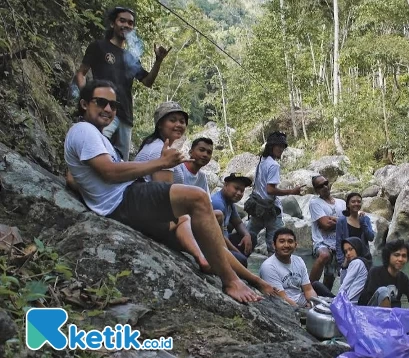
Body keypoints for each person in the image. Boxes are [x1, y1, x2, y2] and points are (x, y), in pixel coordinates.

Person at [64, 80, 260, 303]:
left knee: (194, 218)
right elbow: (109, 172)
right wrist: (161, 162)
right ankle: (231, 281)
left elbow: (74, 176)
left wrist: (88, 192)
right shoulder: (84, 130)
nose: (108, 109)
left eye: (113, 105)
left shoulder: (95, 136)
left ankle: (218, 264)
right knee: (197, 198)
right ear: (83, 104)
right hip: (124, 200)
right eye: (101, 102)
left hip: (123, 199)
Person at [131, 101, 273, 294]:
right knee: (211, 242)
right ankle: (248, 279)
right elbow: (162, 196)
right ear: (159, 124)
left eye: (182, 121)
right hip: (154, 218)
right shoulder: (160, 151)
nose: (179, 125)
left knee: (212, 237)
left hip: (151, 212)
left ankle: (253, 280)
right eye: (172, 120)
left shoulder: (160, 148)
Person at [74, 6, 170, 160]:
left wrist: (158, 61)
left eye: (130, 23)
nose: (126, 25)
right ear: (113, 23)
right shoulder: (99, 47)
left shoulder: (131, 57)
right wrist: (87, 100)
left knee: (120, 161)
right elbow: (81, 73)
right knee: (94, 153)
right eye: (122, 21)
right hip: (102, 110)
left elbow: (147, 81)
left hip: (125, 114)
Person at [247, 131, 303, 254]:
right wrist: (291, 191)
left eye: (283, 146)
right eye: (278, 146)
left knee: (247, 237)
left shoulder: (262, 161)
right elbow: (270, 189)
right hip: (271, 210)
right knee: (275, 244)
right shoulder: (273, 165)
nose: (281, 149)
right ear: (271, 146)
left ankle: (239, 263)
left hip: (257, 207)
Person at [358, 239, 409, 307]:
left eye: (404, 256)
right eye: (396, 255)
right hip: (369, 312)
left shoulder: (403, 278)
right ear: (388, 256)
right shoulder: (375, 272)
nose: (400, 259)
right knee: (383, 291)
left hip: (393, 315)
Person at [259, 228, 318, 307]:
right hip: (286, 308)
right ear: (274, 245)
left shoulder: (299, 260)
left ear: (295, 245)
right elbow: (282, 298)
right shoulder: (268, 267)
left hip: (303, 302)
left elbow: (308, 289)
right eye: (282, 241)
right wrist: (302, 310)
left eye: (290, 241)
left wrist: (313, 305)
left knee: (319, 287)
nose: (286, 245)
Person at [212, 173, 258, 267]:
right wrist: (237, 252)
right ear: (226, 185)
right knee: (241, 260)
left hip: (225, 239)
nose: (239, 193)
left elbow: (238, 223)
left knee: (251, 237)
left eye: (242, 190)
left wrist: (247, 235)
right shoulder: (218, 203)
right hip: (215, 244)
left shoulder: (230, 202)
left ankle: (236, 264)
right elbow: (219, 236)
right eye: (236, 188)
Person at [309, 175, 346, 290]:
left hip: (339, 244)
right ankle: (307, 289)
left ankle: (324, 297)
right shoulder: (315, 203)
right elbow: (325, 225)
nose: (325, 187)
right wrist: (343, 221)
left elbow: (350, 222)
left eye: (326, 183)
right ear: (316, 190)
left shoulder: (341, 203)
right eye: (320, 186)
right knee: (324, 255)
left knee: (329, 279)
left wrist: (333, 219)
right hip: (322, 242)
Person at [335, 193, 374, 275]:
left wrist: (363, 222)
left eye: (359, 202)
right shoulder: (341, 221)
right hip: (348, 259)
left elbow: (371, 237)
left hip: (364, 259)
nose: (356, 204)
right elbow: (339, 243)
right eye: (353, 202)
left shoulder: (365, 219)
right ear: (348, 205)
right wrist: (341, 263)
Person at [337, 237, 371, 303]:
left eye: (350, 249)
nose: (348, 254)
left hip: (350, 304)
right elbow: (343, 282)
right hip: (355, 302)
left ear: (357, 248)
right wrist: (344, 266)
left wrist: (336, 303)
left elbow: (344, 286)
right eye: (345, 251)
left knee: (316, 285)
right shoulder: (365, 262)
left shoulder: (356, 262)